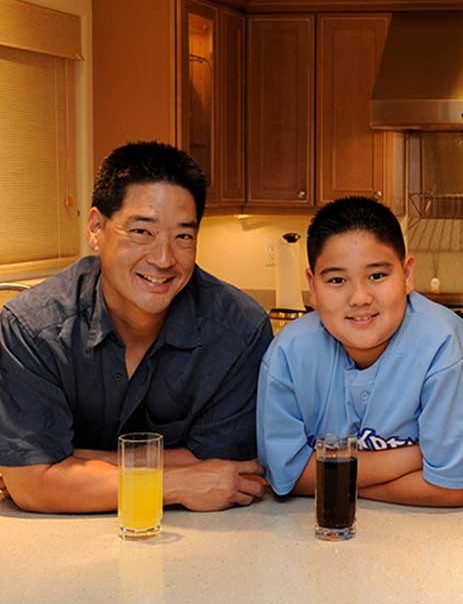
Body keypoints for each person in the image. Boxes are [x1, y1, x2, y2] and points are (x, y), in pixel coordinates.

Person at [0, 141, 272, 513]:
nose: (163, 258)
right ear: (96, 228)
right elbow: (33, 486)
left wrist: (69, 463)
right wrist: (173, 481)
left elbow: (226, 473)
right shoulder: (32, 328)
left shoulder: (239, 329)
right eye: (142, 232)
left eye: (183, 236)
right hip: (59, 545)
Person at [257, 196, 463, 507]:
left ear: (408, 274)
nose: (360, 297)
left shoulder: (450, 351)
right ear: (313, 286)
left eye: (377, 276)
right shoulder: (287, 355)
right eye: (336, 280)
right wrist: (417, 455)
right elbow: (284, 478)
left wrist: (333, 478)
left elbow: (453, 489)